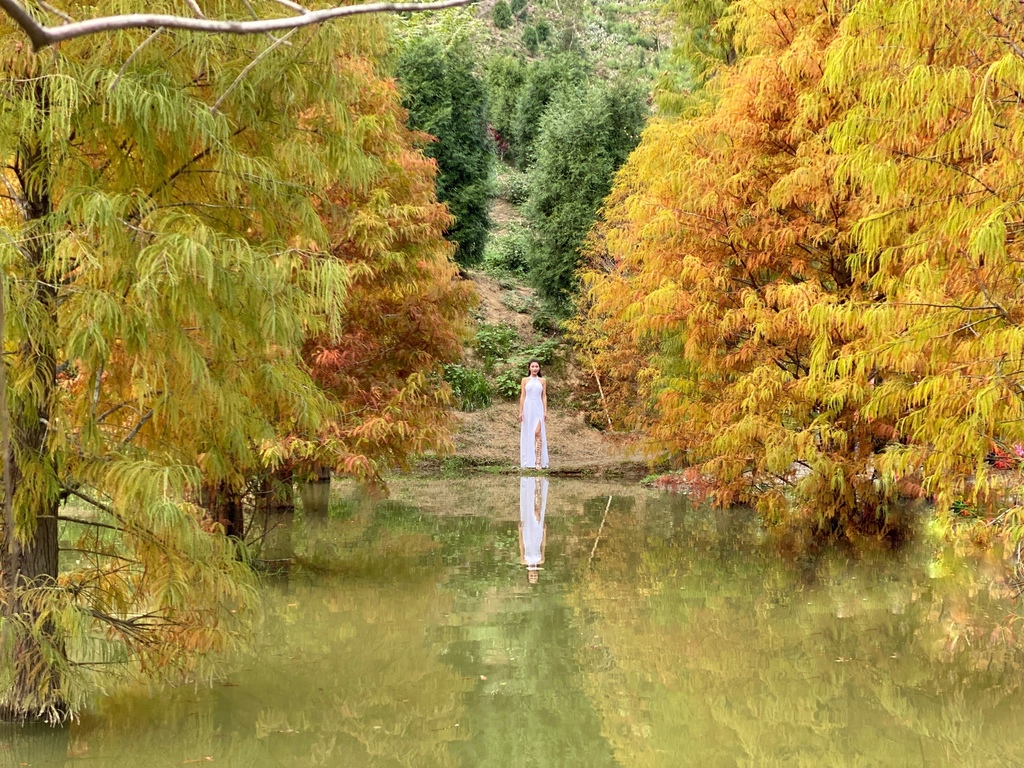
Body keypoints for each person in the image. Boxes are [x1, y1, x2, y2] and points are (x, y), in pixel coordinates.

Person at [518, 359, 548, 469]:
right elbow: (523, 396)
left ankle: (538, 460)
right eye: (533, 366)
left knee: (537, 432)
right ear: (529, 368)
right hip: (527, 407)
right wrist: (521, 412)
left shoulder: (543, 381)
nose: (535, 368)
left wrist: (545, 411)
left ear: (539, 368)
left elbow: (544, 396)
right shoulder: (525, 380)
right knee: (528, 433)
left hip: (538, 407)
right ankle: (529, 460)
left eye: (537, 366)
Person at [519, 476, 548, 583]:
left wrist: (520, 531)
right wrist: (544, 532)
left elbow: (521, 546)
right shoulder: (541, 560)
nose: (533, 576)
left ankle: (531, 488)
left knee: (532, 512)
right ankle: (538, 485)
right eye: (535, 577)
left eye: (532, 577)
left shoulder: (523, 561)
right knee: (537, 512)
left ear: (528, 575)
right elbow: (543, 545)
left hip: (527, 536)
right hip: (537, 536)